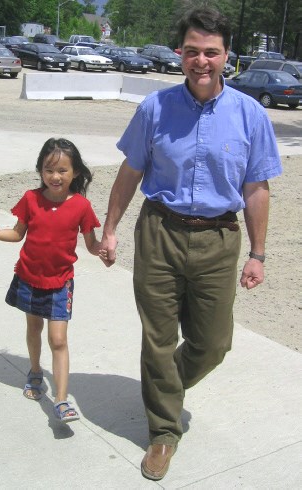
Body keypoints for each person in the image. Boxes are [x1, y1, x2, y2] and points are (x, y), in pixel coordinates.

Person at [100, 7, 282, 481]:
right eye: (193, 51)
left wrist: (258, 254)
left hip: (220, 240)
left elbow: (257, 188)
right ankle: (163, 431)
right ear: (180, 53)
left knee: (213, 342)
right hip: (159, 232)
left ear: (228, 57)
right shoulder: (155, 108)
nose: (202, 61)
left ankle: (164, 387)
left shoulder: (250, 114)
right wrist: (110, 227)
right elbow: (131, 172)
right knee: (159, 340)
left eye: (212, 52)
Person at [0, 138, 107, 422]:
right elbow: (18, 233)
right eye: (48, 170)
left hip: (60, 282)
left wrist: (103, 250)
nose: (55, 177)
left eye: (63, 171)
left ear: (75, 173)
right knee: (34, 328)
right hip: (30, 277)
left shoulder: (81, 205)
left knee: (58, 339)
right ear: (41, 171)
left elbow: (91, 244)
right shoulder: (31, 199)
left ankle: (61, 399)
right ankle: (34, 371)